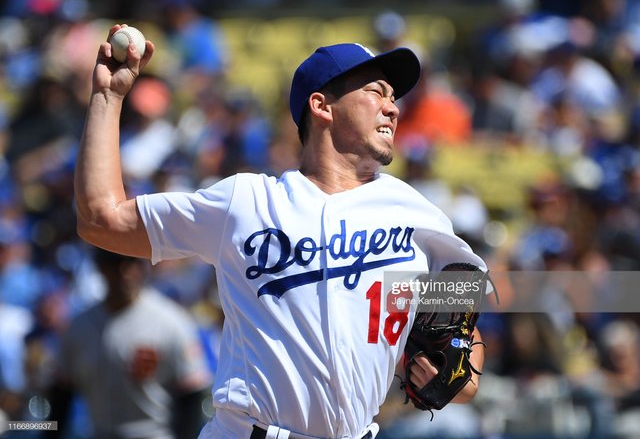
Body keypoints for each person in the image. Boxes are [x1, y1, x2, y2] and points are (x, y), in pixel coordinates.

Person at [74, 24, 487, 438]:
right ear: (322, 105)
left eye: (394, 97)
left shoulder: (416, 213)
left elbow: (462, 338)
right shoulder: (246, 202)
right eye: (376, 92)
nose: (393, 108)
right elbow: (101, 220)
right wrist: (108, 97)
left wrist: (454, 369)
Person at [46, 248, 212, 439]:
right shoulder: (79, 327)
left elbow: (191, 397)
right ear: (100, 267)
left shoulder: (170, 321)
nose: (124, 271)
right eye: (115, 263)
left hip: (153, 434)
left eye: (132, 262)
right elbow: (61, 396)